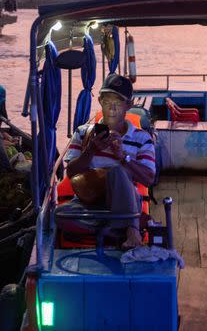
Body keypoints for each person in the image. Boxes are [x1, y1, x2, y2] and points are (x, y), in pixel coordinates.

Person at [64, 73, 156, 249]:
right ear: (99, 101)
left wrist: (123, 157)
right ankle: (124, 227)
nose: (112, 108)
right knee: (60, 215)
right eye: (107, 101)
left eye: (118, 102)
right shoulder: (83, 132)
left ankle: (127, 227)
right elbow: (71, 172)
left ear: (128, 105)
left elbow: (149, 178)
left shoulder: (142, 138)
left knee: (117, 171)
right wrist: (90, 151)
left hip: (124, 201)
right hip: (89, 201)